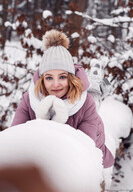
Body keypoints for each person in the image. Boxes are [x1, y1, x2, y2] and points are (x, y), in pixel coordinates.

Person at [11, 29, 114, 168]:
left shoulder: (86, 103)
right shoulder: (30, 99)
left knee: (92, 102)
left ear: (70, 78)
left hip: (93, 136)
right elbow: (15, 137)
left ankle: (95, 89)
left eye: (62, 77)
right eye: (49, 78)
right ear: (41, 80)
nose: (55, 84)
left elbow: (83, 151)